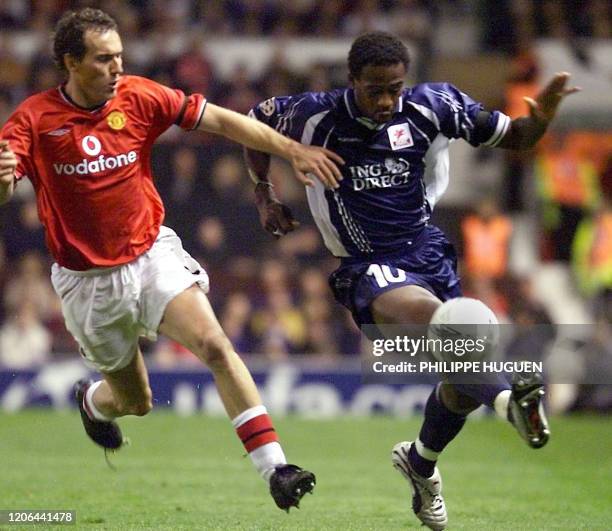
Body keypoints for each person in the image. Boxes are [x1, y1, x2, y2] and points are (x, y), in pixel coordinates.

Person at [0, 8, 344, 512]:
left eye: (119, 56)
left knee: (216, 345)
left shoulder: (141, 95)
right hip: (87, 282)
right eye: (103, 59)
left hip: (150, 253)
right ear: (71, 63)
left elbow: (225, 121)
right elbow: (5, 190)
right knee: (134, 403)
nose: (118, 67)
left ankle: (276, 467)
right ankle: (93, 403)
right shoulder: (34, 118)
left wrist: (291, 150)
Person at [244, 31, 578, 530]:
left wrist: (543, 121)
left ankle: (421, 464)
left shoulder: (434, 106)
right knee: (446, 326)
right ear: (352, 80)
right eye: (374, 88)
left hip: (428, 252)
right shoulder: (315, 115)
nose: (385, 101)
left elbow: (518, 136)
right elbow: (254, 123)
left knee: (460, 382)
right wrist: (265, 193)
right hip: (365, 263)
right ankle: (512, 403)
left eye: (394, 88)